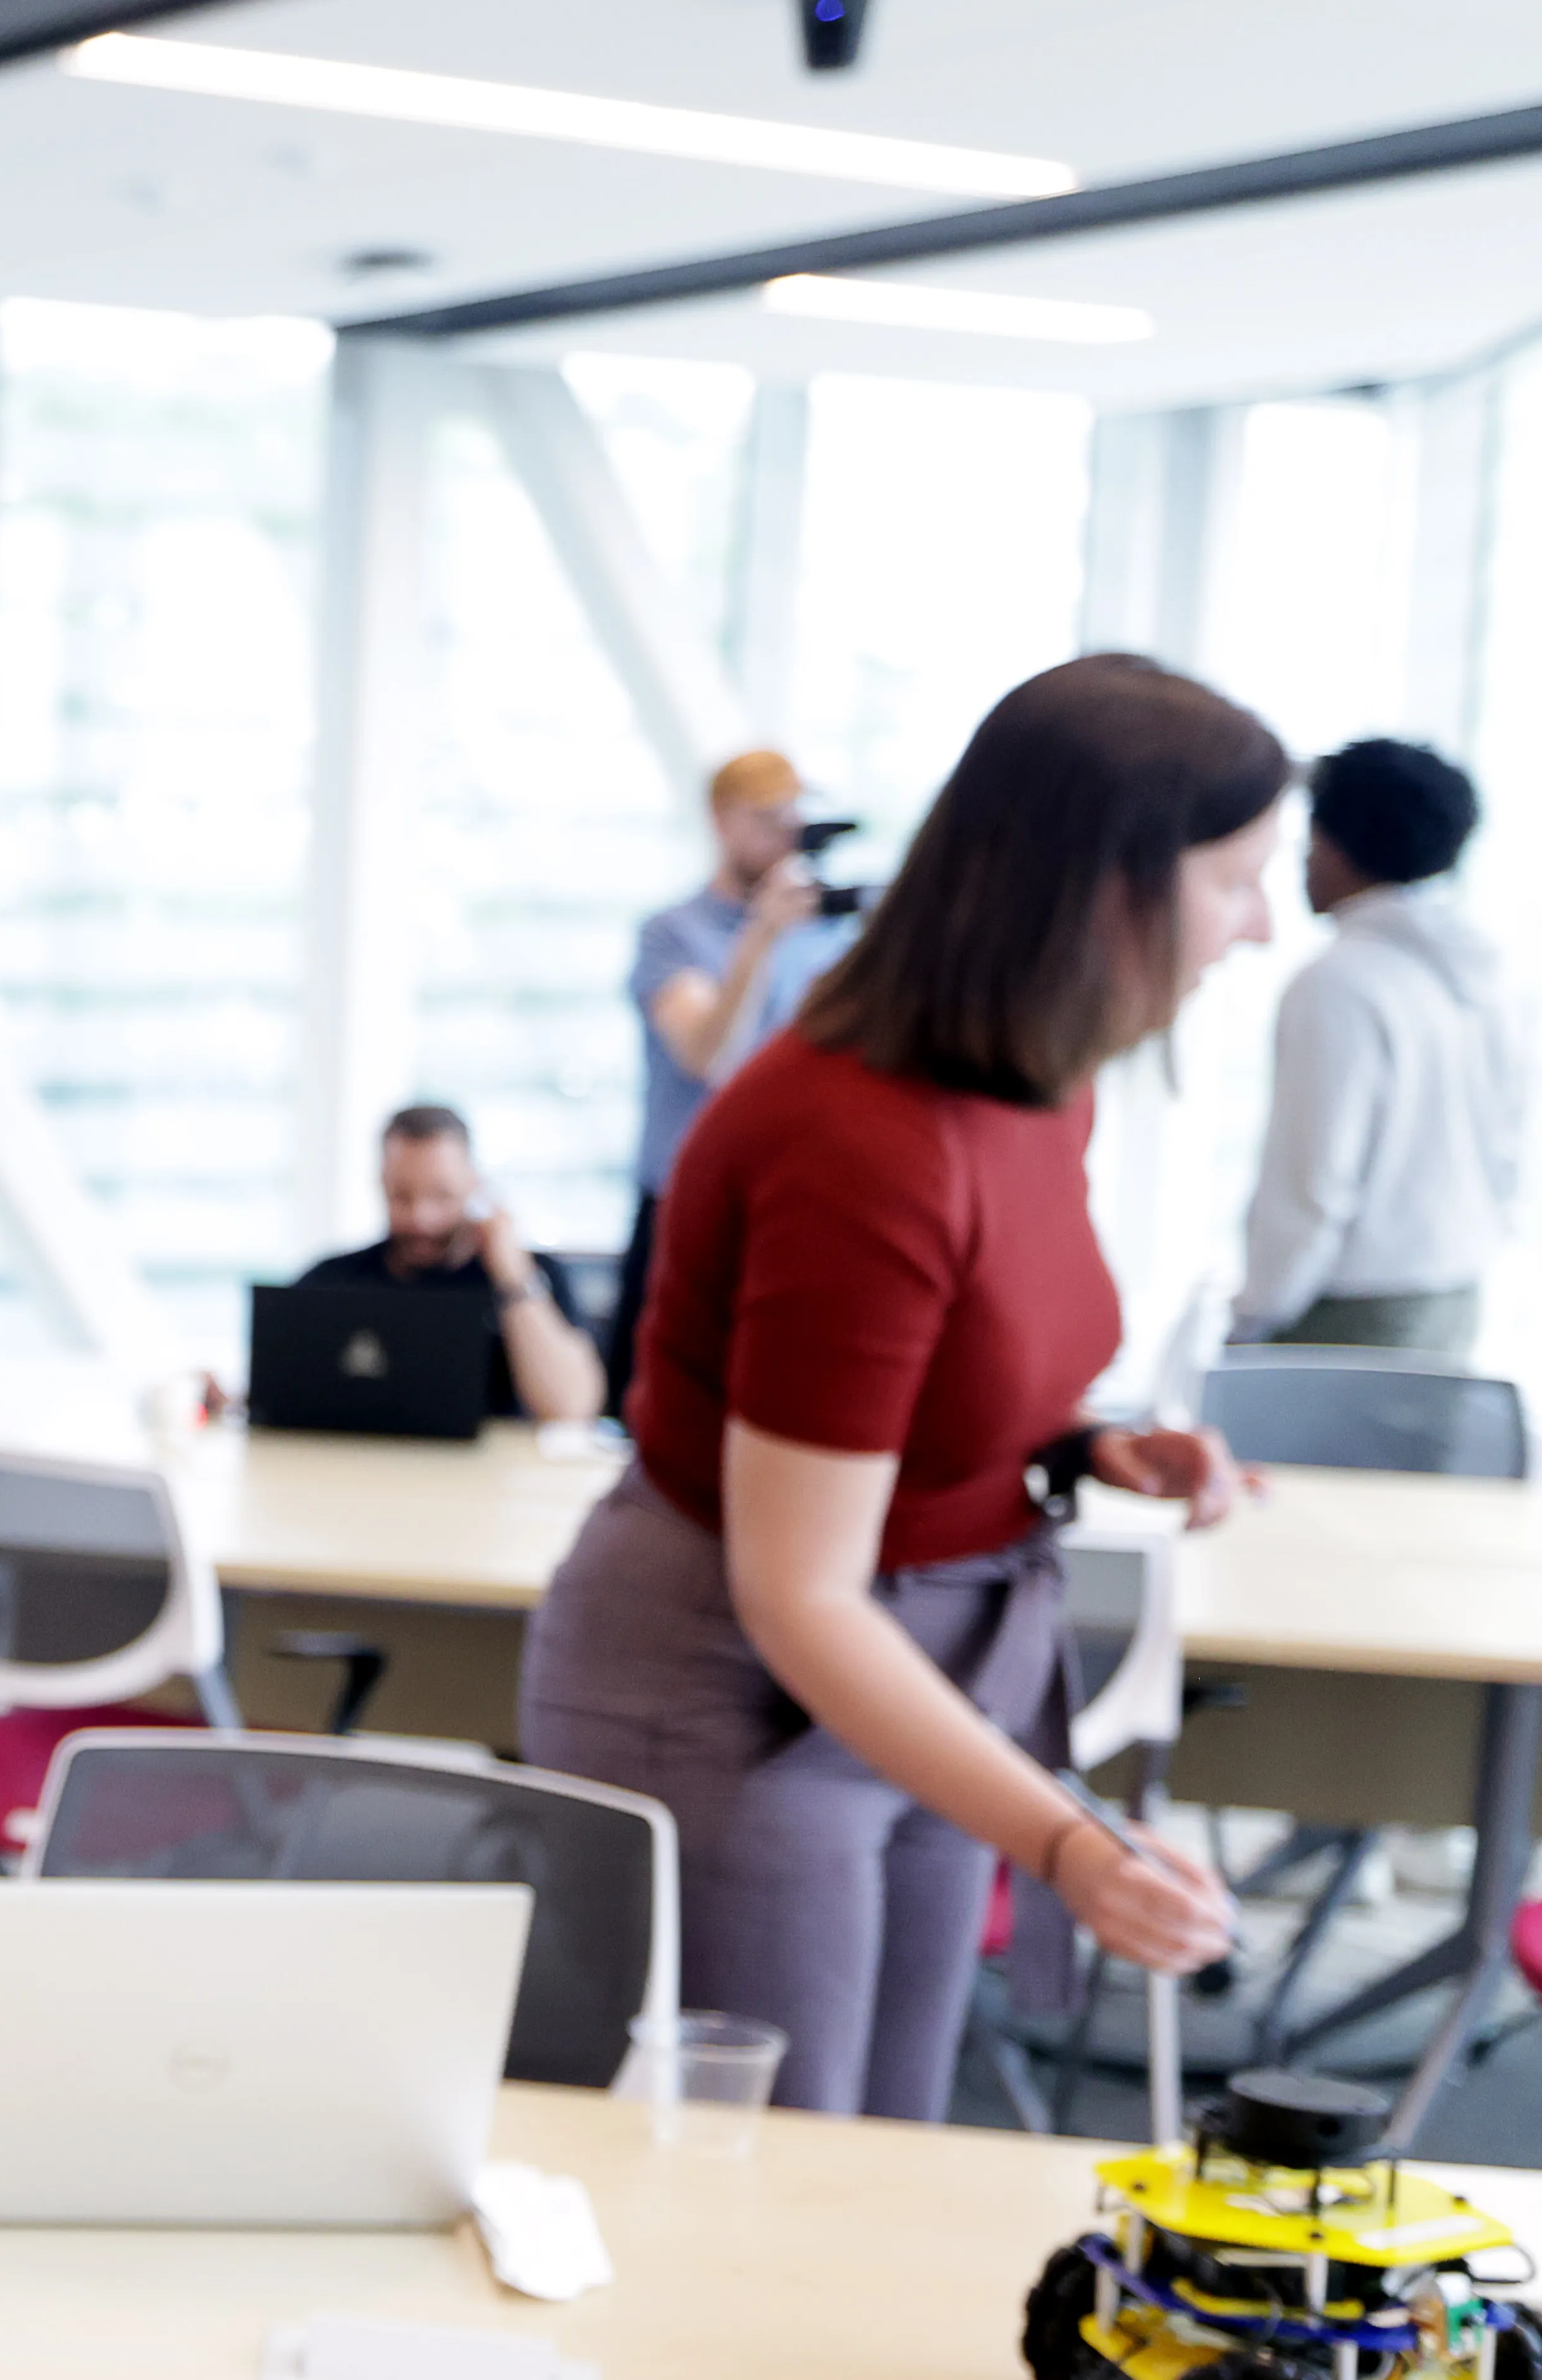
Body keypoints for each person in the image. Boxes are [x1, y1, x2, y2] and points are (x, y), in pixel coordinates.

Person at [521, 656, 1261, 2122]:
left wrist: (1087, 1439)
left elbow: (935, 1362)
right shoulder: (858, 1141)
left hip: (922, 1665)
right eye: (1233, 879)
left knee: (889, 2142)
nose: (1260, 926)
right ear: (1108, 888)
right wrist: (1069, 1846)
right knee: (764, 2178)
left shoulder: (1041, 1083)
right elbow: (797, 1591)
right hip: (737, 1684)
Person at [1240, 738, 1522, 1352]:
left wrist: (1252, 1316)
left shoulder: (1337, 981)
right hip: (1454, 1299)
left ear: (1332, 842)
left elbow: (1310, 1187)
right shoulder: (1475, 971)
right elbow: (1507, 1146)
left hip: (1348, 1312)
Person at [611, 747, 848, 1400]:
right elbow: (708, 1055)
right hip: (682, 1203)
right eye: (765, 820)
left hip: (790, 1204)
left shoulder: (830, 939)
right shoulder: (673, 934)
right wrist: (759, 939)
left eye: (791, 821)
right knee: (657, 1405)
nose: (782, 839)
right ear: (720, 821)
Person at [295, 1103, 604, 1426]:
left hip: (492, 1475)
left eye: (441, 1196)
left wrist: (513, 1277)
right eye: (402, 1196)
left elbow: (571, 1408)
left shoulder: (533, 1278)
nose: (421, 1218)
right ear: (381, 1185)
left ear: (475, 1186)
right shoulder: (331, 1280)